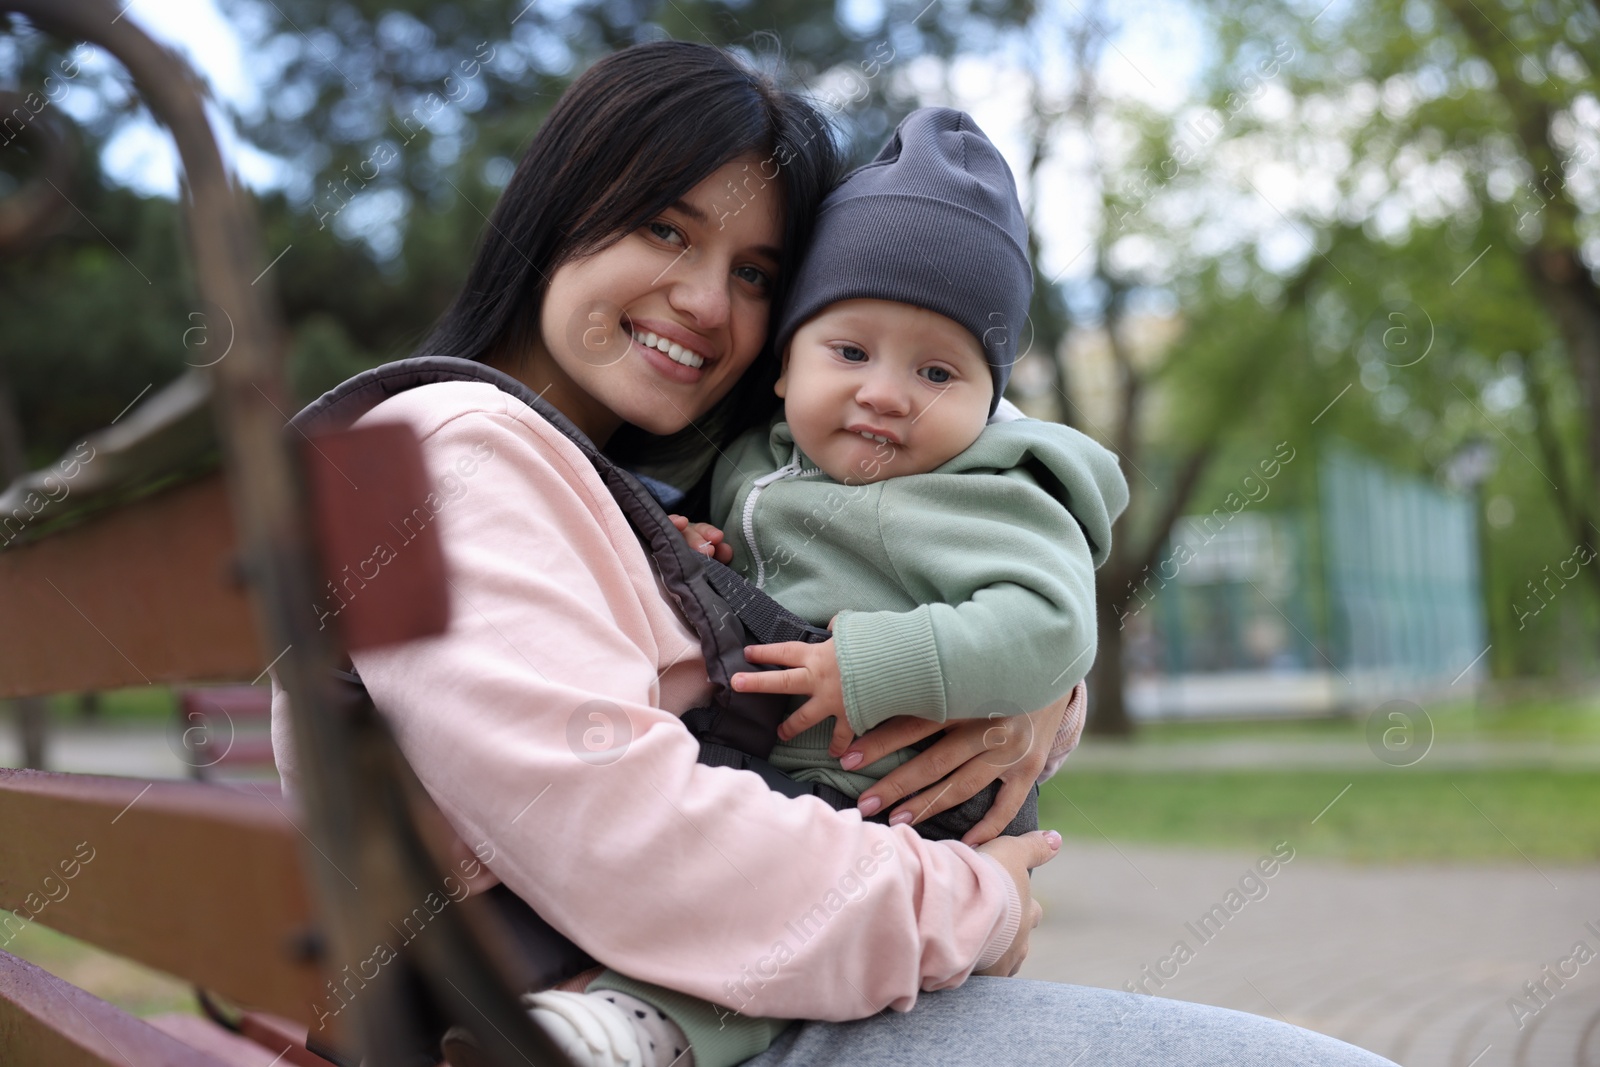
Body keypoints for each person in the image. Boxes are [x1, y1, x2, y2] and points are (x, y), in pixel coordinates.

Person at [272, 39, 1398, 1067]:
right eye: (665, 227)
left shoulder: (644, 486)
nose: (707, 302)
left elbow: (871, 598)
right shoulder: (441, 453)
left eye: (757, 273)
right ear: (556, 211)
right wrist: (974, 903)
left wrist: (1036, 687)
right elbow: (636, 842)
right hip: (619, 1015)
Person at [527, 107, 1130, 1067]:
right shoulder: (753, 465)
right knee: (749, 885)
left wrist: (879, 662)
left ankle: (640, 1028)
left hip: (897, 795)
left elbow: (1052, 622)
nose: (887, 392)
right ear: (783, 368)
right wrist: (692, 556)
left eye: (938, 371)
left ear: (990, 400)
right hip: (781, 768)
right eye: (849, 352)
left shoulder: (990, 493)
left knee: (783, 926)